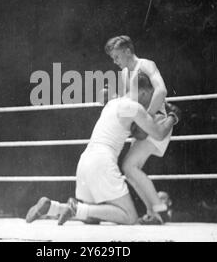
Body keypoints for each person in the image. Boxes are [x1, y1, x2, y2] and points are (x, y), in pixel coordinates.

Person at [26, 72, 180, 225]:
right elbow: (158, 134)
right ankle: (75, 208)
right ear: (143, 92)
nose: (151, 102)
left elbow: (138, 133)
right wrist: (173, 117)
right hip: (102, 162)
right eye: (151, 96)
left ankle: (54, 207)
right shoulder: (134, 108)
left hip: (85, 162)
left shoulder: (113, 103)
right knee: (129, 217)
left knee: (92, 216)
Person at [104, 35, 178, 224]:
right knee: (129, 169)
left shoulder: (146, 65)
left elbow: (161, 91)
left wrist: (147, 116)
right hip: (142, 124)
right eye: (113, 58)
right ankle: (154, 212)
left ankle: (158, 210)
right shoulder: (123, 74)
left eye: (117, 57)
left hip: (156, 120)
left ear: (128, 51)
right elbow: (128, 100)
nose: (115, 61)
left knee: (129, 166)